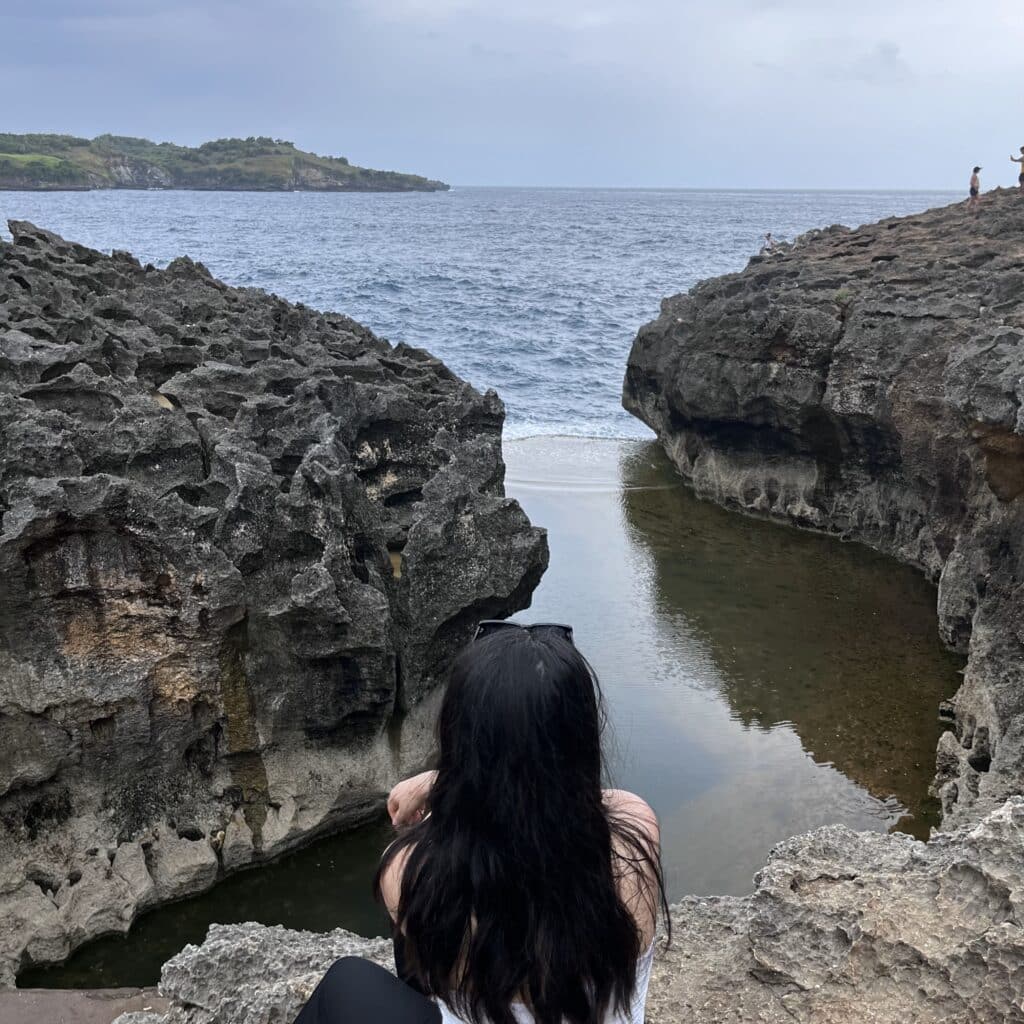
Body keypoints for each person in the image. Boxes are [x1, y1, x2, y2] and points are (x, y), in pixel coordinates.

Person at [295, 621, 669, 1024]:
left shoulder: (407, 874)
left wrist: (445, 780)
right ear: (582, 737)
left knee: (346, 980)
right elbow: (574, 797)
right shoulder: (637, 831)